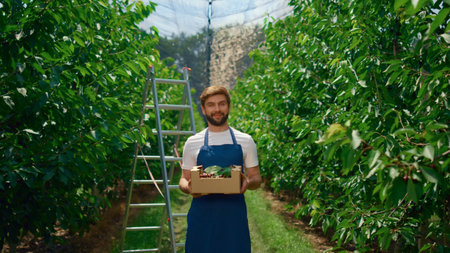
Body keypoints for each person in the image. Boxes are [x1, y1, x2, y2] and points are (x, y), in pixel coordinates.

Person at [179, 85, 262, 253]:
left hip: (233, 219)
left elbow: (256, 178)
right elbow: (183, 178)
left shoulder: (245, 141)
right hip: (202, 218)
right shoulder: (193, 142)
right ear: (203, 109)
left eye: (222, 104)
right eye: (211, 105)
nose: (217, 109)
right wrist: (188, 187)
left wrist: (248, 182)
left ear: (229, 106)